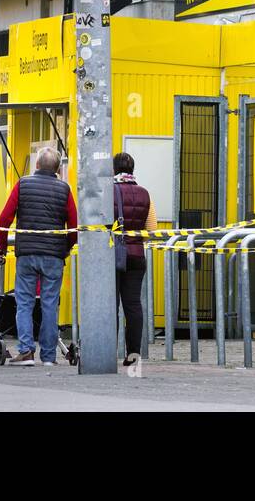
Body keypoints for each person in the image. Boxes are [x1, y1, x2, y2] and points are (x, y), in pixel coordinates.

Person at [0, 147, 77, 366]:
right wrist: (67, 248)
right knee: (50, 304)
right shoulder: (64, 189)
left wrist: (2, 247)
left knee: (24, 303)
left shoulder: (23, 184)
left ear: (37, 165)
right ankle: (49, 357)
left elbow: (5, 218)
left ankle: (26, 352)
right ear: (57, 169)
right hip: (53, 256)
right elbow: (73, 226)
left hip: (27, 254)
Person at [113, 152, 156, 367]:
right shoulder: (144, 193)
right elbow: (152, 228)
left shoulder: (108, 192)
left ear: (113, 169)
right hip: (137, 256)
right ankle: (133, 355)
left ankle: (108, 353)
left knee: (111, 306)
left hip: (112, 257)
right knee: (133, 305)